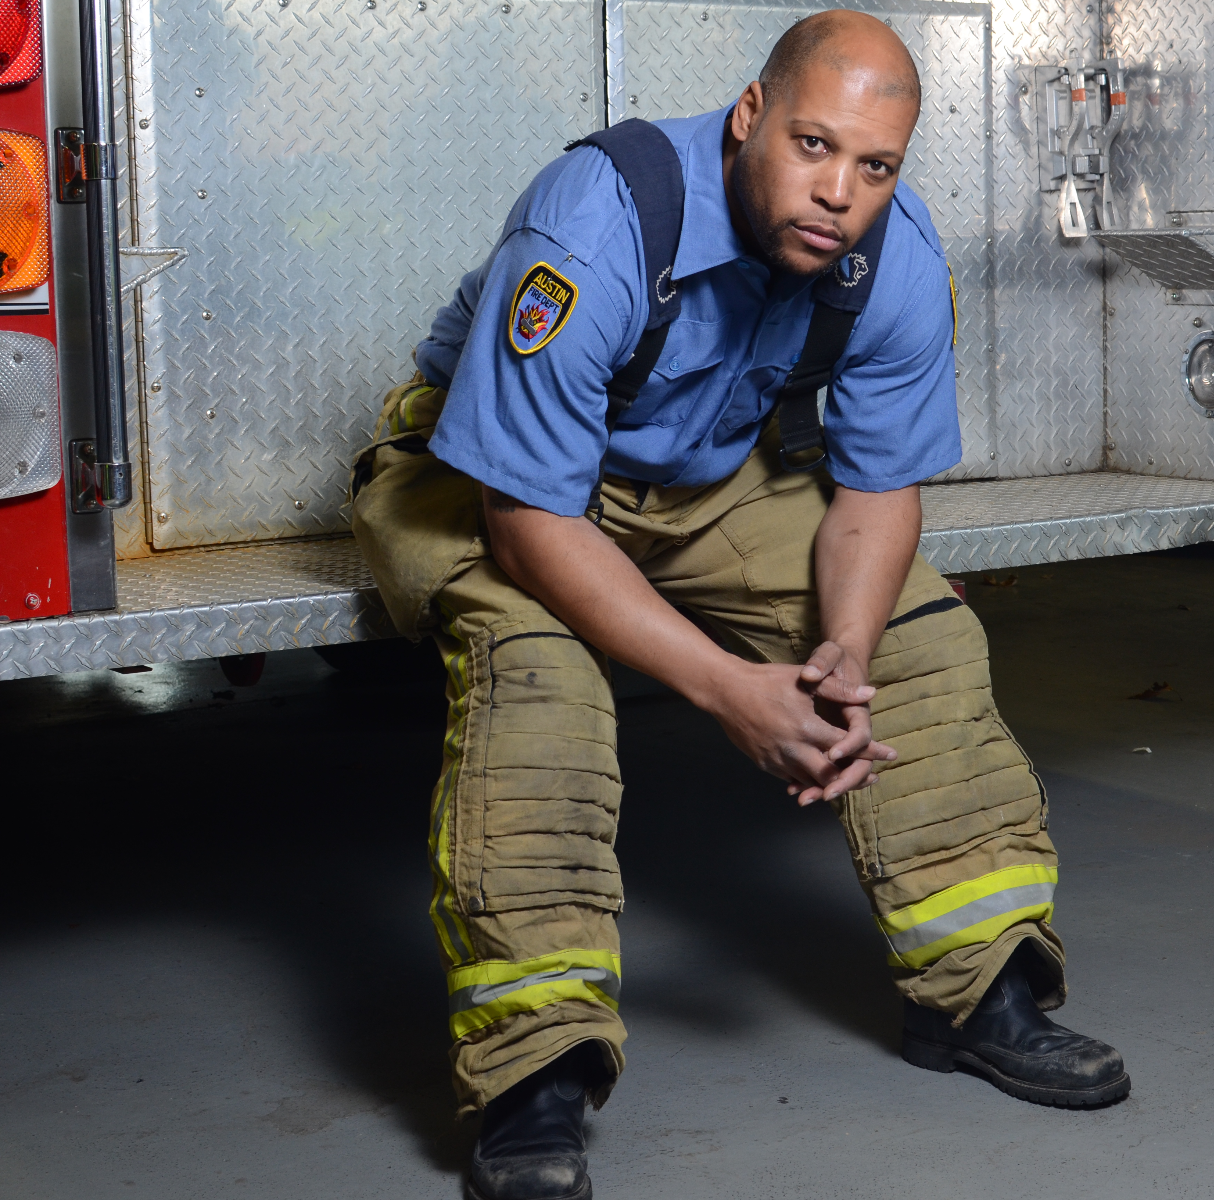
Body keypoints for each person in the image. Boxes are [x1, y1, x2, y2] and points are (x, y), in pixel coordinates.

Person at [350, 12, 1129, 1198]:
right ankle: (531, 1075)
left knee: (922, 638)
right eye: (813, 146)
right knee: (542, 685)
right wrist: (724, 690)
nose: (838, 194)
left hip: (698, 475)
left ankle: (982, 995)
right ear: (749, 116)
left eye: (874, 166)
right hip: (488, 479)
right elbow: (528, 522)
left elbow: (874, 490)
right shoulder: (596, 226)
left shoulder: (894, 256)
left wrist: (846, 655)